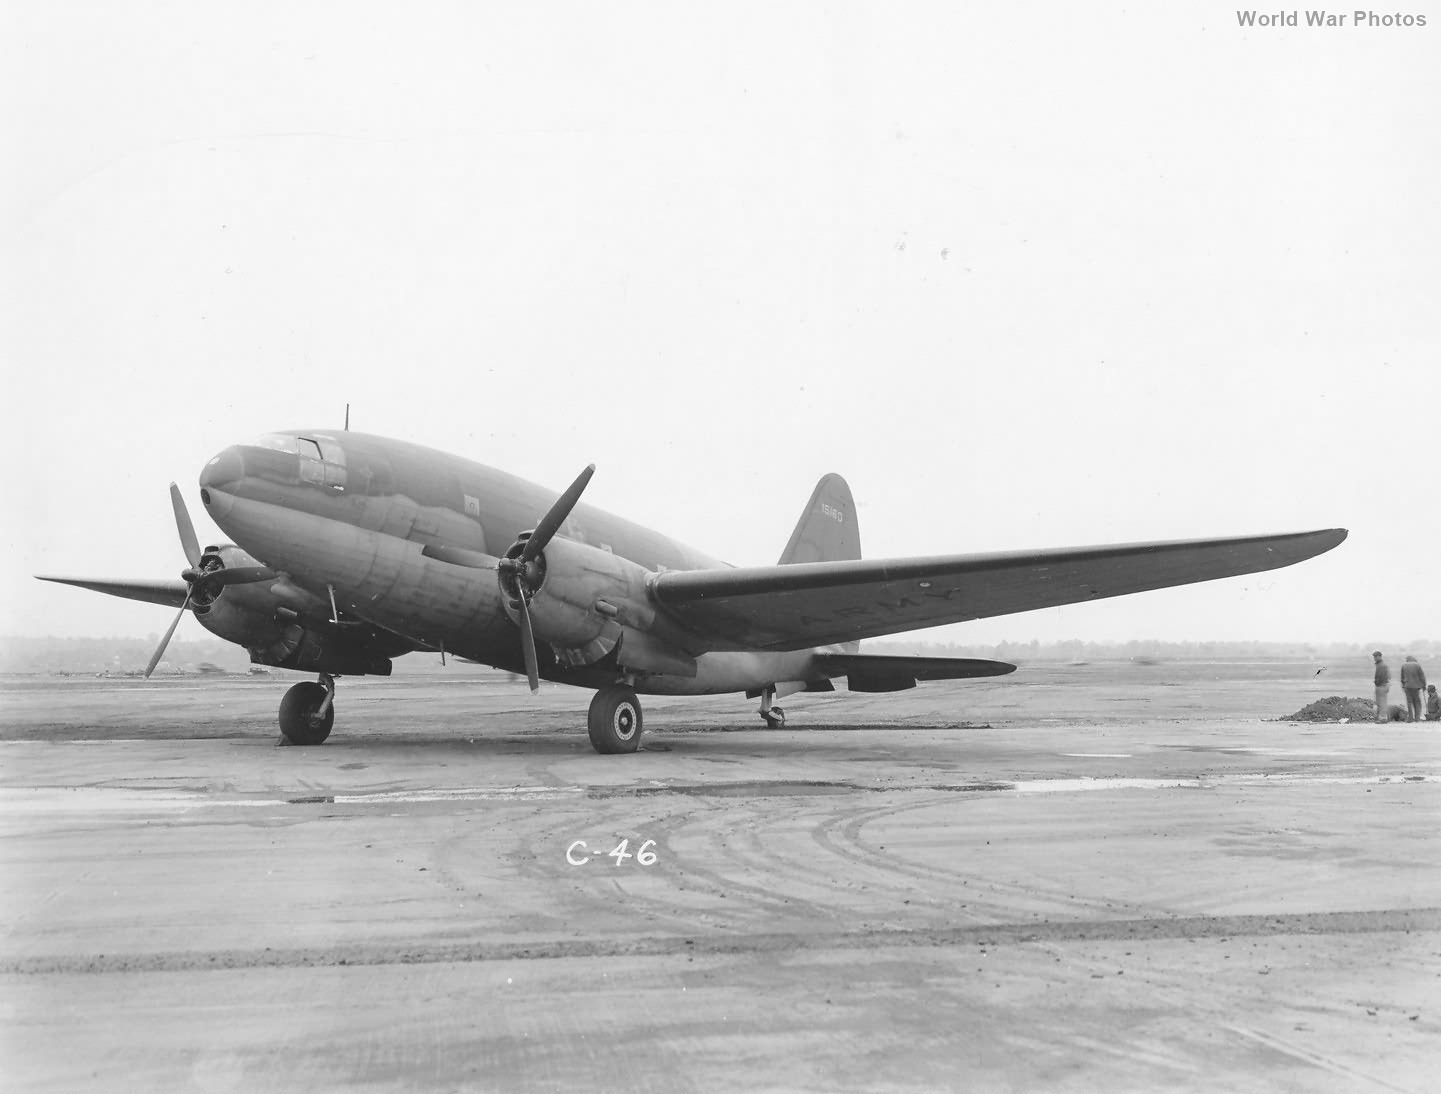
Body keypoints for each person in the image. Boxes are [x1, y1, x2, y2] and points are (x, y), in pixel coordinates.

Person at [1400, 656, 1427, 722]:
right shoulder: (1417, 665)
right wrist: (1424, 685)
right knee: (1417, 702)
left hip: (1407, 686)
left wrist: (1403, 685)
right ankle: (1417, 718)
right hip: (1416, 687)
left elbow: (1402, 677)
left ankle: (1410, 718)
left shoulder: (1404, 665)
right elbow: (1422, 676)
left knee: (1409, 702)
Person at [1372, 651, 1390, 723]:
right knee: (1379, 703)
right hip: (1380, 685)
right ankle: (1379, 718)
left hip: (1382, 686)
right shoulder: (1379, 665)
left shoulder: (1382, 665)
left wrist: (1378, 683)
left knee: (1382, 703)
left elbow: (1383, 677)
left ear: (1380, 656)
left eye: (1376, 656)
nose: (1374, 658)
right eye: (1374, 657)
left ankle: (1383, 718)